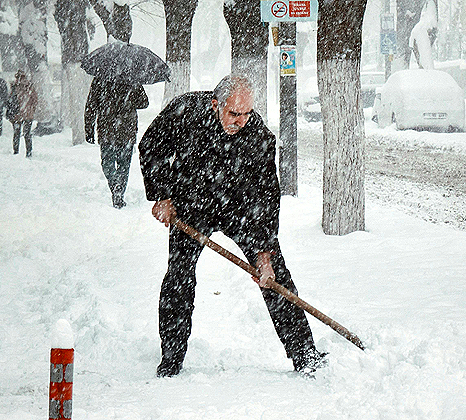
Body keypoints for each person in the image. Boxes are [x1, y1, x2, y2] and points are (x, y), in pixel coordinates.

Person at [139, 74, 325, 377]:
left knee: (275, 276)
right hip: (191, 205)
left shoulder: (258, 137)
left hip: (239, 209)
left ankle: (304, 354)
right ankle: (171, 358)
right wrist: (162, 195)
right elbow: (151, 145)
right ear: (216, 105)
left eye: (246, 113)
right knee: (179, 276)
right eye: (234, 113)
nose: (241, 120)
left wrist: (263, 254)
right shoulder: (185, 112)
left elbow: (266, 195)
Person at [85, 77, 148, 208]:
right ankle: (119, 191)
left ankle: (114, 185)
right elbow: (144, 103)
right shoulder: (132, 78)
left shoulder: (100, 79)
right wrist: (130, 98)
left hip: (107, 128)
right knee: (124, 164)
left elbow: (91, 105)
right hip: (127, 129)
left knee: (107, 163)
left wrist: (89, 129)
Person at [6, 70, 38, 157]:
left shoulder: (14, 87)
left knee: (16, 133)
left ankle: (16, 151)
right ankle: (29, 152)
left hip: (16, 114)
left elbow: (9, 100)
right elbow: (35, 100)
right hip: (28, 114)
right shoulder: (29, 87)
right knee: (27, 134)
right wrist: (32, 110)